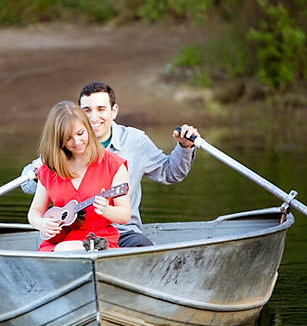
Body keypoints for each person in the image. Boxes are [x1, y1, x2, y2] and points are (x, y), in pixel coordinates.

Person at [22, 82, 200, 247]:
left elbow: (170, 173)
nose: (93, 117)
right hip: (69, 232)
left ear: (113, 111)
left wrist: (185, 147)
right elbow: (29, 186)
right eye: (87, 110)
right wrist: (43, 170)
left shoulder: (134, 141)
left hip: (123, 231)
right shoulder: (64, 145)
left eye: (101, 109)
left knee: (143, 250)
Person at [27, 101, 131, 252]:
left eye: (80, 133)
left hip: (96, 241)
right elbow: (35, 211)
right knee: (59, 250)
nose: (77, 142)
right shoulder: (49, 169)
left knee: (64, 250)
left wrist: (106, 210)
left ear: (88, 129)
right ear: (58, 140)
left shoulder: (113, 164)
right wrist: (40, 223)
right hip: (56, 241)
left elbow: (125, 215)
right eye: (68, 138)